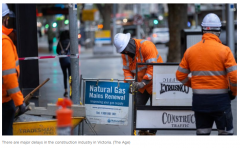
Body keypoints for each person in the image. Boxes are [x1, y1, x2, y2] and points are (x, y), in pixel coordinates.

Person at [176, 13, 237, 135]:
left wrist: (195, 84)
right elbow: (235, 79)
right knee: (225, 134)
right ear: (218, 31)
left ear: (203, 30)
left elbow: (180, 76)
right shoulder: (225, 51)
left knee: (203, 134)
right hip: (221, 102)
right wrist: (233, 93)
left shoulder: (190, 51)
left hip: (200, 101)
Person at [113, 33, 163, 135]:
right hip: (141, 85)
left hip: (155, 83)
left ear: (130, 43)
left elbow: (152, 67)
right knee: (138, 108)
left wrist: (144, 82)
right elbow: (127, 70)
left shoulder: (147, 46)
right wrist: (130, 84)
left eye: (125, 50)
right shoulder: (126, 54)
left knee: (155, 110)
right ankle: (142, 131)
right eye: (123, 52)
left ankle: (152, 133)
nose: (126, 53)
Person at [2, 3, 27, 135]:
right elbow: (8, 75)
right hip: (4, 102)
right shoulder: (4, 41)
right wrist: (19, 102)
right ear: (5, 19)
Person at [56, 30, 71, 97]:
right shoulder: (70, 42)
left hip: (62, 61)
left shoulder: (60, 42)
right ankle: (71, 89)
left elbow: (57, 50)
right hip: (70, 60)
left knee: (64, 75)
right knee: (70, 75)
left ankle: (66, 91)